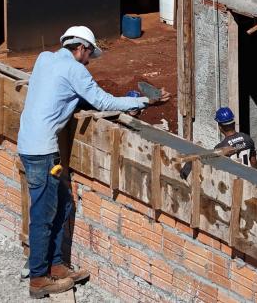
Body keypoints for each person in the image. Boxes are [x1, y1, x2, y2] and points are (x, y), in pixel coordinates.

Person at [18, 26, 155, 299]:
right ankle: (38, 279)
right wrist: (143, 101)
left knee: (63, 204)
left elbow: (59, 93)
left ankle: (56, 265)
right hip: (43, 152)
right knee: (43, 216)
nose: (89, 61)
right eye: (89, 54)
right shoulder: (75, 70)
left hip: (30, 146)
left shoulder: (44, 59)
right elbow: (102, 101)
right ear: (80, 48)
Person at [181, 108, 257, 179]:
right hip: (249, 179)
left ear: (220, 127)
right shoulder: (247, 138)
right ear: (233, 123)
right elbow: (253, 162)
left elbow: (215, 171)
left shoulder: (221, 147)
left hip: (234, 182)